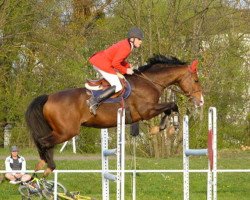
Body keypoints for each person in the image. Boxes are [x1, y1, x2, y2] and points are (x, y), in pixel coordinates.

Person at [87, 27, 144, 115]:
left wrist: (128, 65)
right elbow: (115, 63)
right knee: (118, 86)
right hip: (102, 63)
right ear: (132, 39)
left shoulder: (127, 44)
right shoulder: (127, 47)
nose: (141, 41)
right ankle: (94, 101)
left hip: (101, 60)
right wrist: (126, 70)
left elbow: (119, 59)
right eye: (139, 39)